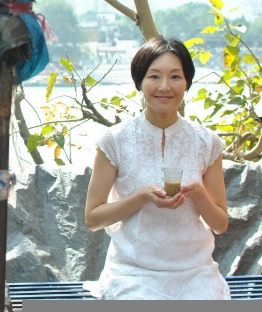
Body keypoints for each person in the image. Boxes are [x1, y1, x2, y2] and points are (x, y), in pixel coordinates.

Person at [82, 36, 230, 300]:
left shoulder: (207, 142)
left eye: (175, 77)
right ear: (139, 82)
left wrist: (199, 195)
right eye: (154, 76)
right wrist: (141, 197)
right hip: (133, 272)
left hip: (195, 272)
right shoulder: (114, 141)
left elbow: (220, 224)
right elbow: (93, 219)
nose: (164, 86)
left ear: (187, 82)